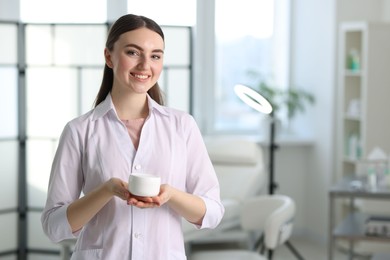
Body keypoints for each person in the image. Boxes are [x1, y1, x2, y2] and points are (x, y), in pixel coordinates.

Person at [41, 14, 224, 260]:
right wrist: (107, 190)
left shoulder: (182, 126)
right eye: (133, 53)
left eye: (155, 56)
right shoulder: (80, 130)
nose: (145, 66)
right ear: (109, 56)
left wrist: (170, 195)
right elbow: (53, 226)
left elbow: (212, 212)